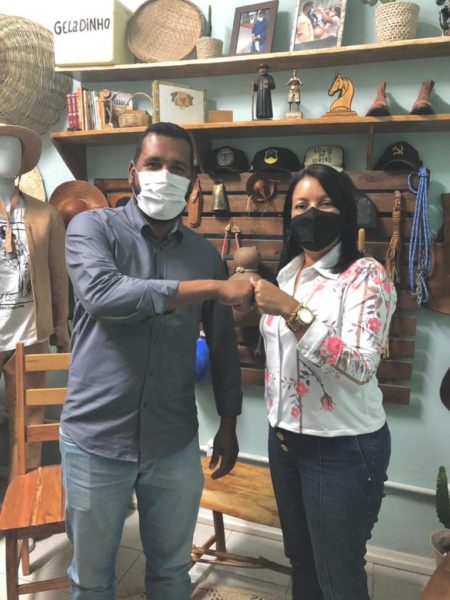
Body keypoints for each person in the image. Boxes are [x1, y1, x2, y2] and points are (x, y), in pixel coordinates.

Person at [61, 121, 253, 600]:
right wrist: (213, 288)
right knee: (91, 580)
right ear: (133, 173)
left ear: (193, 183)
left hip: (173, 441)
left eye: (178, 168)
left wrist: (229, 423)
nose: (165, 175)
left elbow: (223, 345)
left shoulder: (204, 255)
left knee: (171, 573)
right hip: (96, 438)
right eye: (154, 164)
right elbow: (104, 295)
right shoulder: (92, 228)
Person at [251, 164, 396, 600]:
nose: (311, 213)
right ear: (288, 217)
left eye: (325, 203)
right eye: (300, 205)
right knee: (301, 561)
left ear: (345, 211)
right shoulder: (288, 273)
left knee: (338, 576)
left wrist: (290, 310)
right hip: (284, 441)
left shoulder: (366, 275)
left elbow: (361, 365)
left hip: (341, 447)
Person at [0, 123, 69, 483]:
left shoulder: (47, 215)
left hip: (29, 336)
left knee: (28, 428)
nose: (5, 154)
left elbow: (59, 278)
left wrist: (61, 328)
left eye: (12, 147)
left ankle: (21, 504)